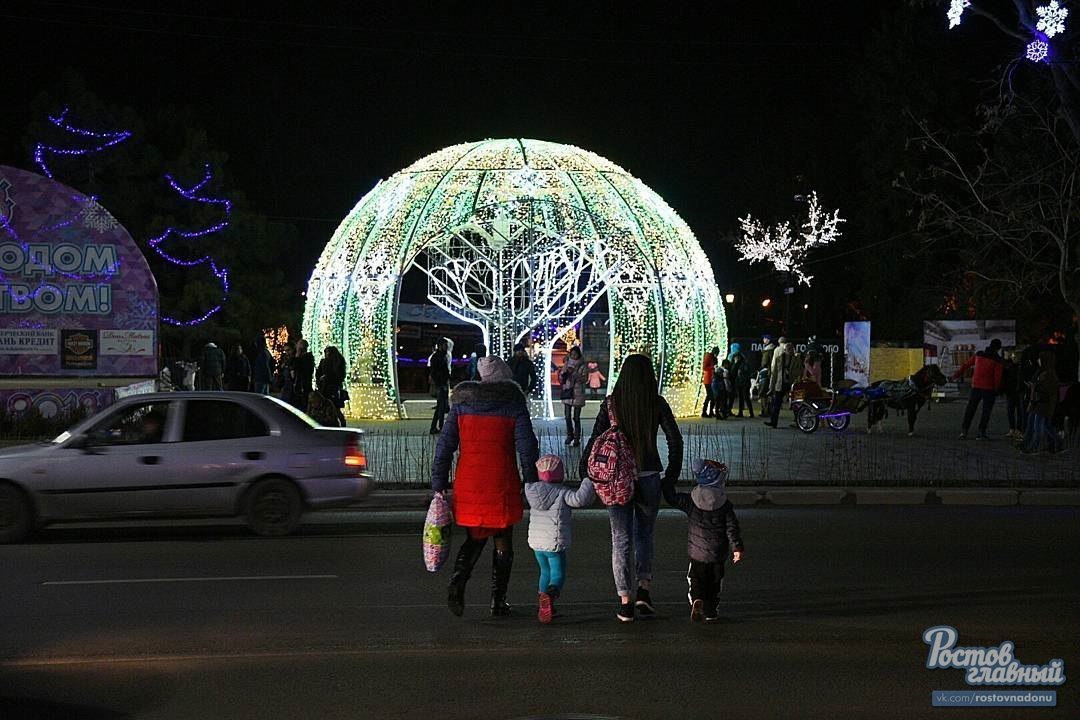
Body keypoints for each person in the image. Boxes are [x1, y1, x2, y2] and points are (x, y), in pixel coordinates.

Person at [432, 355, 540, 617]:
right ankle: (498, 600)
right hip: (501, 481)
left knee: (475, 537)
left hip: (469, 482)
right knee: (503, 541)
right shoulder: (513, 404)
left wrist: (438, 482)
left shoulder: (462, 404)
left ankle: (458, 580)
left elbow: (445, 445)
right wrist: (532, 480)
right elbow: (527, 447)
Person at [579, 354, 683, 623]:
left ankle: (624, 601)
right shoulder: (656, 403)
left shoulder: (612, 403)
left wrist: (585, 473)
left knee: (620, 539)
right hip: (649, 476)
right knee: (645, 534)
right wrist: (669, 477)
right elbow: (675, 441)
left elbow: (594, 439)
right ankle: (644, 592)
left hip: (616, 480)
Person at [662, 459, 744, 622]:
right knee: (714, 583)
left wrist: (666, 481)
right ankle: (711, 610)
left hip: (697, 552)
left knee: (696, 578)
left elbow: (672, 498)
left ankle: (697, 599)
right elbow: (732, 528)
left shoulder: (691, 500)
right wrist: (737, 548)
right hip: (718, 553)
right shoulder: (725, 505)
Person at [525, 455, 596, 624]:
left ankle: (542, 603)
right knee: (558, 574)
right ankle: (549, 596)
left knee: (544, 572)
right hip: (554, 542)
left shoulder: (532, 491)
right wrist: (588, 480)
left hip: (536, 543)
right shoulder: (563, 493)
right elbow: (580, 499)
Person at [952, 338, 1004, 440]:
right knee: (986, 412)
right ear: (998, 348)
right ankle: (981, 433)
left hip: (975, 387)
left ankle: (964, 432)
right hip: (989, 389)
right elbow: (997, 378)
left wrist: (955, 375)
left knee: (970, 409)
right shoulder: (998, 360)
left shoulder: (979, 354)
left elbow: (965, 365)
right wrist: (997, 390)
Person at [1020, 351, 1063, 454]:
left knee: (1038, 427)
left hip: (1042, 405)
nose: (1038, 360)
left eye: (1040, 359)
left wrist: (1035, 388)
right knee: (1045, 426)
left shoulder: (1049, 374)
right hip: (1037, 403)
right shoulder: (1041, 371)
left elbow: (1051, 394)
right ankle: (1056, 444)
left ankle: (1034, 447)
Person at [559, 346, 588, 445]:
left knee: (576, 417)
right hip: (568, 392)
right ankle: (569, 435)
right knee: (567, 416)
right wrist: (565, 373)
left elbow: (585, 379)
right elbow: (561, 377)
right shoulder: (567, 364)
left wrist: (576, 375)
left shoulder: (583, 366)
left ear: (578, 355)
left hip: (578, 394)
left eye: (575, 354)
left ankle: (576, 438)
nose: (573, 356)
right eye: (572, 354)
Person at [764, 340, 795, 428]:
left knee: (796, 403)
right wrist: (771, 387)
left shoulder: (796, 359)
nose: (788, 351)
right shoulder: (780, 359)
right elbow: (775, 374)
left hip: (791, 384)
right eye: (787, 349)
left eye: (790, 349)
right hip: (780, 383)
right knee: (776, 403)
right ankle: (773, 422)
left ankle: (798, 420)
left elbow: (799, 371)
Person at [316, 345, 348, 427]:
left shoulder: (337, 362)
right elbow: (318, 373)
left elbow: (339, 376)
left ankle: (339, 424)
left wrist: (326, 377)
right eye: (326, 352)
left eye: (328, 352)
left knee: (335, 408)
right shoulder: (324, 362)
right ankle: (332, 423)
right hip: (325, 388)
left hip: (332, 388)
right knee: (330, 408)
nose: (326, 354)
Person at [428, 337, 451, 435]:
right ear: (440, 346)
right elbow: (434, 372)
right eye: (445, 345)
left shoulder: (442, 356)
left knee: (441, 407)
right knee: (440, 407)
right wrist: (440, 382)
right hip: (441, 384)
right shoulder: (437, 357)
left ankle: (438, 427)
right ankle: (436, 427)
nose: (446, 347)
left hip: (443, 383)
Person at [291, 339, 315, 411]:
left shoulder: (305, 358)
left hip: (303, 385)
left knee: (303, 404)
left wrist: (297, 356)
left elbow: (296, 367)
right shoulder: (307, 358)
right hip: (302, 384)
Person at [730, 344, 754, 418]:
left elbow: (746, 372)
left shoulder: (744, 364)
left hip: (744, 382)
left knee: (746, 397)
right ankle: (741, 412)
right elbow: (733, 372)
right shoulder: (736, 364)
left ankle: (750, 412)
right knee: (741, 398)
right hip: (740, 382)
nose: (736, 358)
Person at [757, 335, 777, 415]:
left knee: (763, 393)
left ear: (768, 340)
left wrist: (762, 368)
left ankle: (765, 411)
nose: (763, 340)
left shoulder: (767, 350)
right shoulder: (774, 349)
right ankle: (769, 410)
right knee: (769, 393)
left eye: (765, 338)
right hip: (771, 373)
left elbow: (764, 363)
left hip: (766, 373)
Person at [700, 347, 719, 418]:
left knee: (710, 396)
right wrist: (713, 367)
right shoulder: (708, 357)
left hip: (712, 379)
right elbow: (704, 368)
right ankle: (705, 412)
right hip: (708, 380)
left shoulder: (714, 358)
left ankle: (709, 412)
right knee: (710, 396)